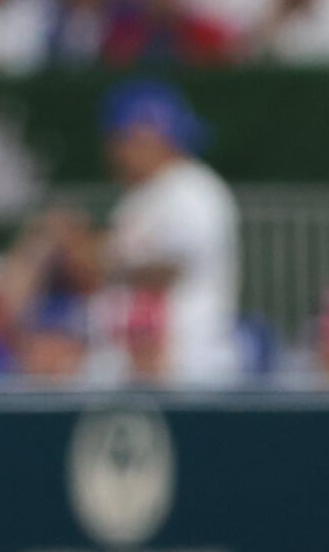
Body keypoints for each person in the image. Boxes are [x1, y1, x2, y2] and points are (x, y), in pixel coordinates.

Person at [100, 82, 241, 385]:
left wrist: (95, 261)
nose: (115, 152)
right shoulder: (141, 195)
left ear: (149, 136)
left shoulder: (192, 188)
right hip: (141, 365)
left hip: (190, 364)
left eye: (120, 139)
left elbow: (166, 270)